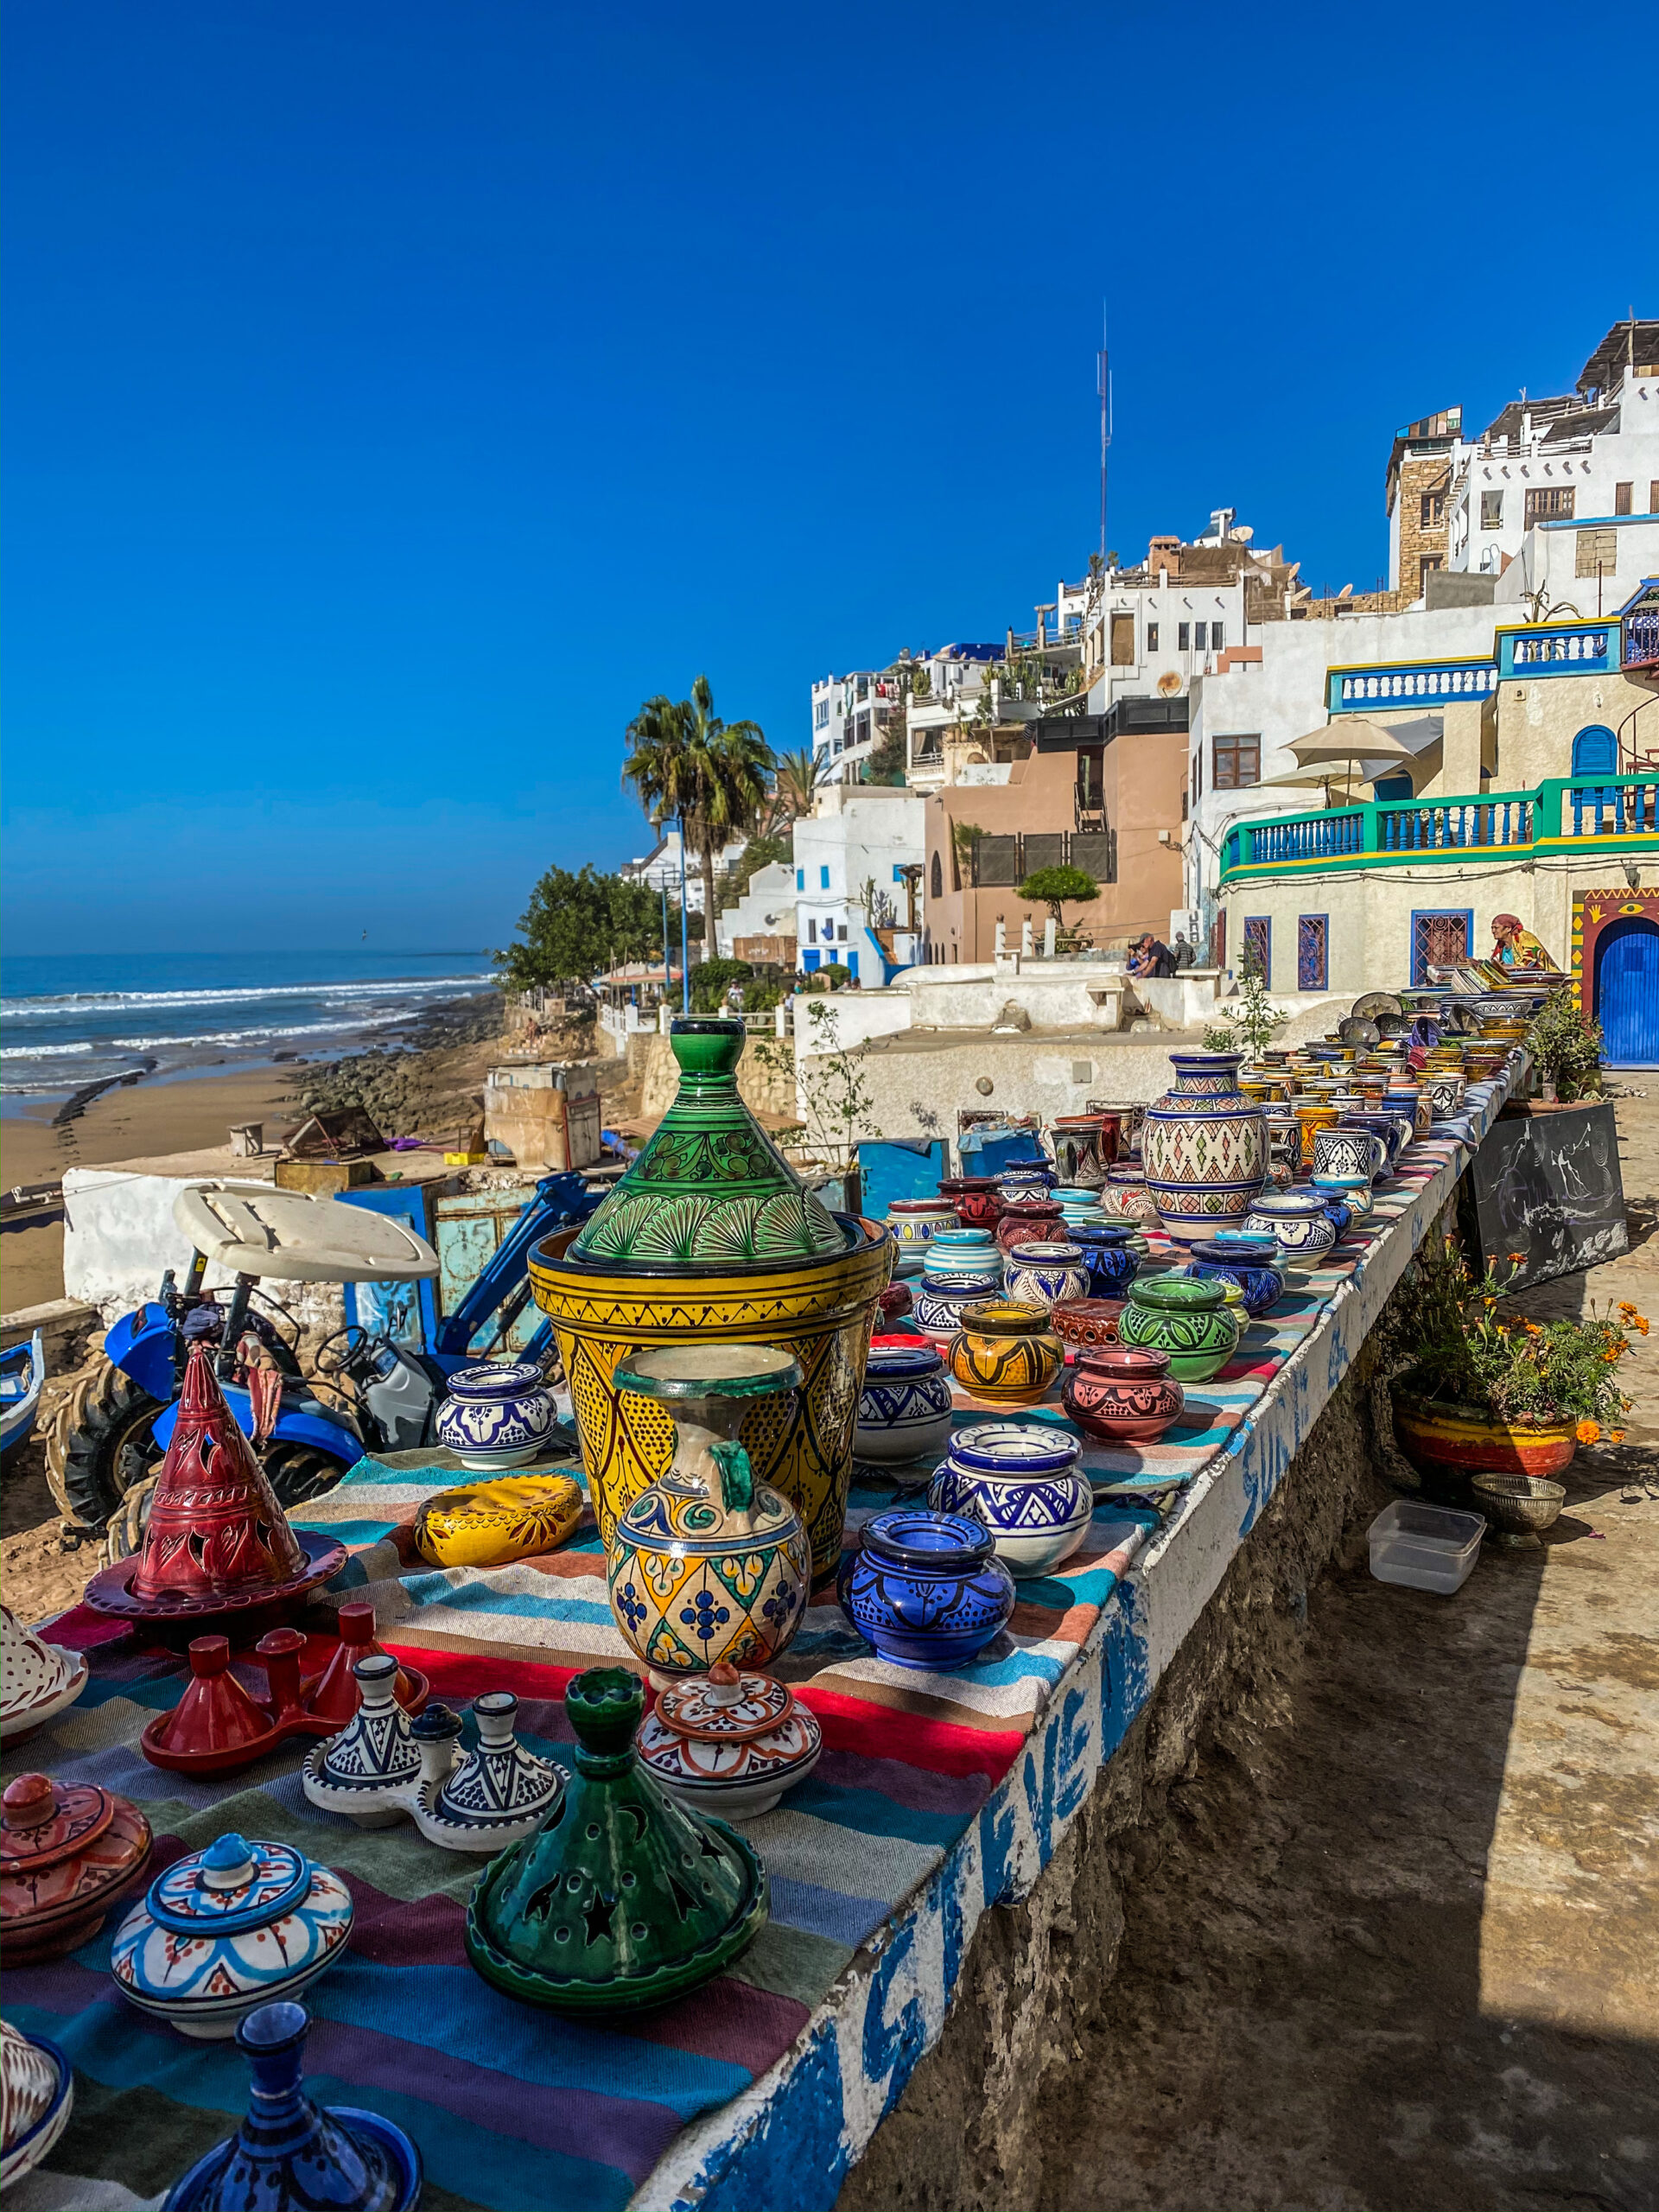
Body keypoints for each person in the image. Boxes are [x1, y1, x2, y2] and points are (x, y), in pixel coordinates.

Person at [1491, 914, 1560, 972]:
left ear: (1508, 928)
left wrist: (1507, 967)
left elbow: (1531, 964)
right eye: (1492, 928)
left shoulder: (1526, 938)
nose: (1493, 931)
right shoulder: (1501, 945)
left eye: (1496, 928)